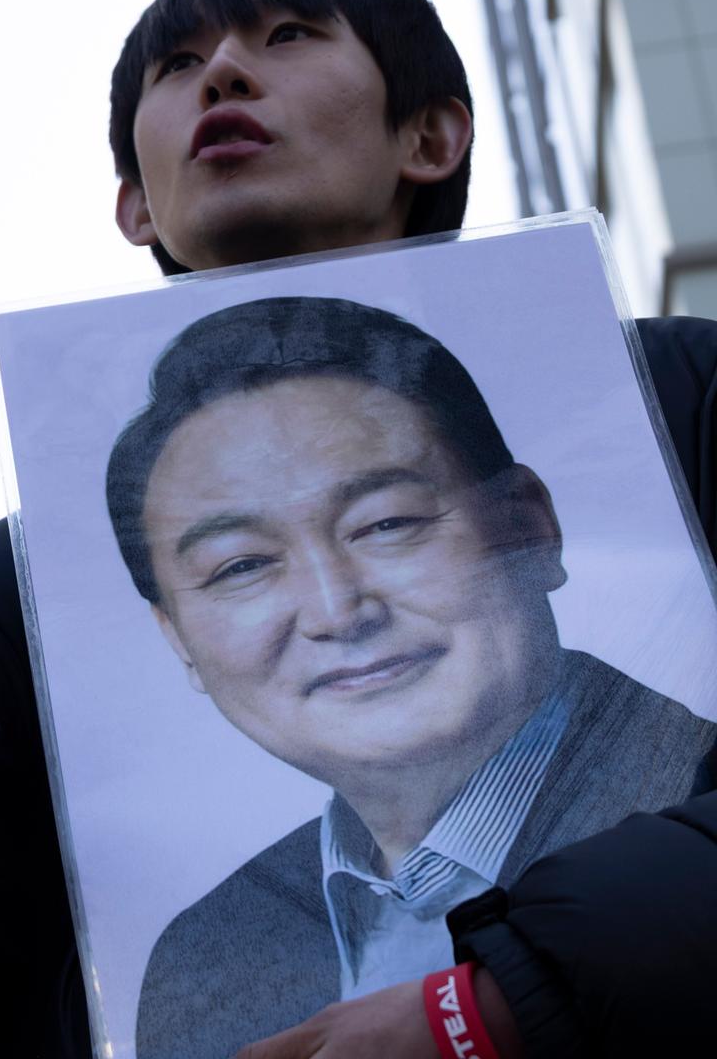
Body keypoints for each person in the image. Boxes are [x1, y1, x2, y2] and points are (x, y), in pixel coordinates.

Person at [0, 0, 717, 1058]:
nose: (225, 75)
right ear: (135, 207)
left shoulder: (680, 399)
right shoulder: (11, 613)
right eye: (239, 567)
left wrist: (501, 1006)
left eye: (287, 34)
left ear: (431, 135)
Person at [104, 295, 714, 1057]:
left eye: (387, 523)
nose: (336, 611)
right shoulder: (199, 960)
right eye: (242, 566)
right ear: (178, 640)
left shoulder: (696, 782)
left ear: (530, 523)